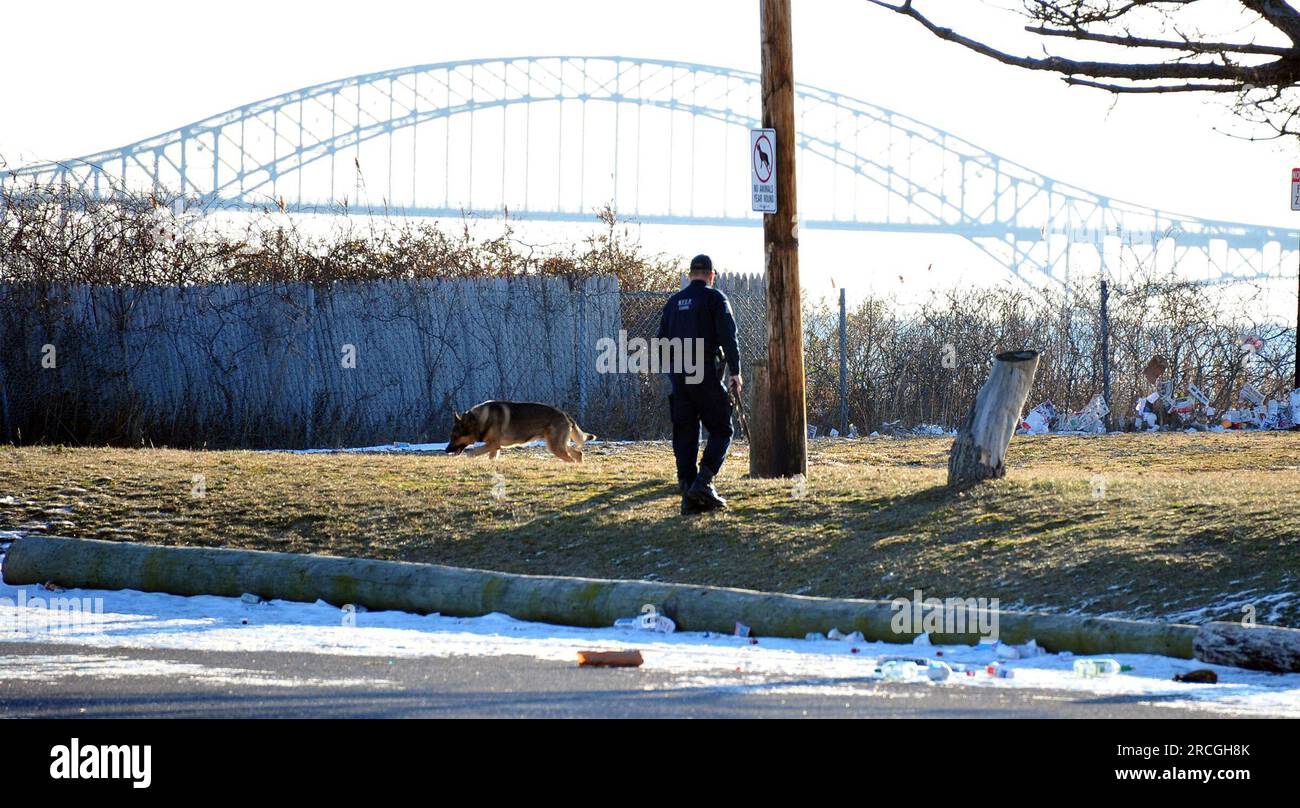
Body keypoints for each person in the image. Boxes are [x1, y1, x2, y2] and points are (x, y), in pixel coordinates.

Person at [657, 254, 744, 514]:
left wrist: (674, 371)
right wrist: (735, 371)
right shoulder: (715, 298)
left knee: (685, 430)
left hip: (679, 375)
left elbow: (661, 342)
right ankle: (704, 482)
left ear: (690, 274)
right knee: (722, 429)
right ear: (711, 275)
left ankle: (688, 491)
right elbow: (729, 337)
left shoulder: (672, 303)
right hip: (703, 371)